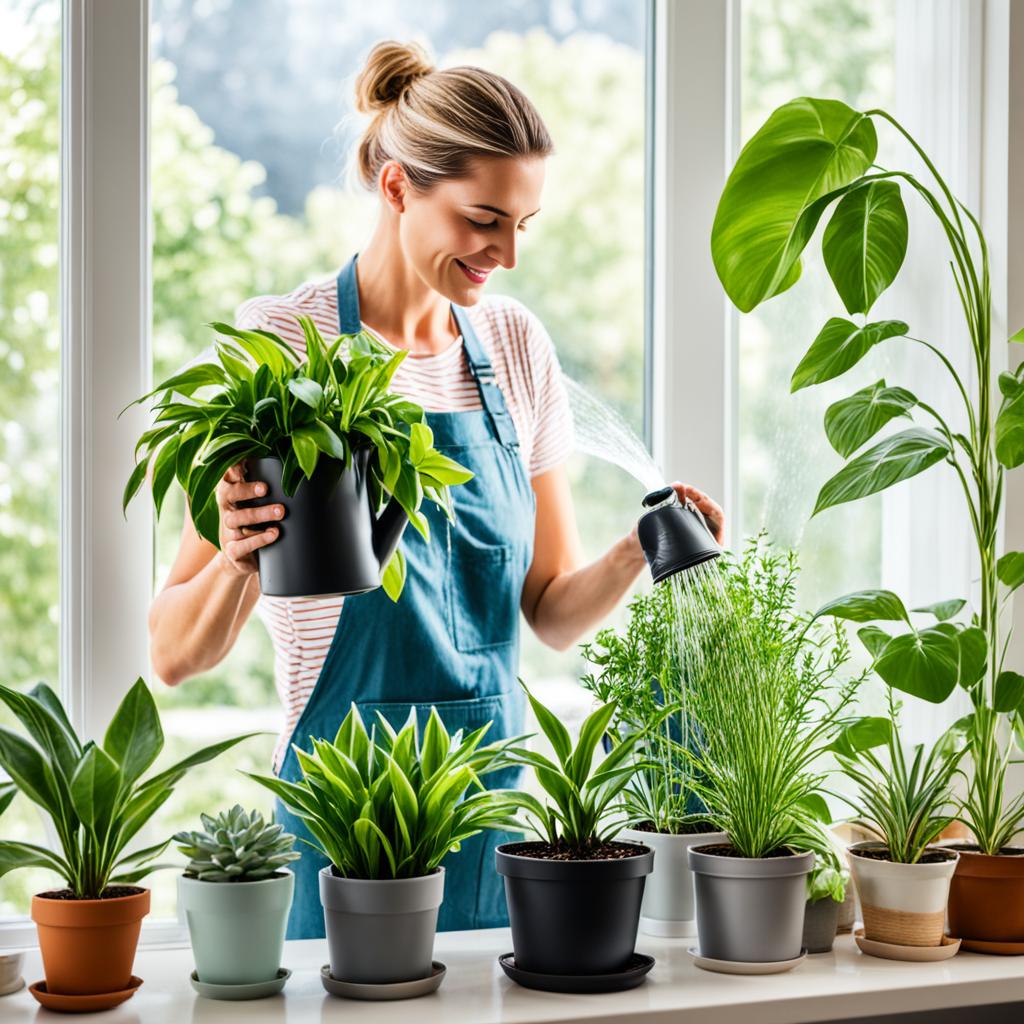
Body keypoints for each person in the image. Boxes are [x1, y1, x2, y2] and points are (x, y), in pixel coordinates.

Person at [148, 40, 725, 939]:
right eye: (483, 219)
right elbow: (174, 653)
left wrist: (635, 549)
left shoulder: (516, 348)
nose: (506, 253)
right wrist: (237, 557)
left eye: (522, 225)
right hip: (342, 824)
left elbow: (553, 614)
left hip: (492, 817)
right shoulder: (288, 345)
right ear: (396, 188)